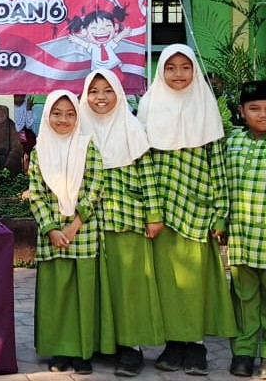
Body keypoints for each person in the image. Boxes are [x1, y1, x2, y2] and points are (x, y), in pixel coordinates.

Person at [137, 44, 237, 375]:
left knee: (195, 281)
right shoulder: (149, 107)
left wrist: (220, 212)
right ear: (160, 71)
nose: (178, 74)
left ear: (195, 70)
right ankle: (173, 343)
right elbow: (144, 165)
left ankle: (195, 345)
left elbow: (218, 166)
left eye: (185, 67)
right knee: (166, 281)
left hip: (199, 211)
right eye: (171, 67)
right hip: (162, 214)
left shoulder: (206, 108)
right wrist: (152, 212)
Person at [78, 69, 164, 376]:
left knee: (129, 285)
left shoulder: (132, 127)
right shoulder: (79, 129)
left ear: (118, 93)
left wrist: (154, 214)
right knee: (98, 285)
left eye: (108, 90)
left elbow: (148, 176)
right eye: (93, 91)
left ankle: (131, 347)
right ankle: (102, 344)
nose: (100, 97)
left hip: (127, 218)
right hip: (89, 223)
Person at [28, 90, 107, 374]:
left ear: (78, 117)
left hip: (82, 233)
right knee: (57, 296)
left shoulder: (87, 146)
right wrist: (51, 228)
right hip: (52, 236)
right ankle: (60, 351)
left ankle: (83, 352)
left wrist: (74, 225)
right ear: (47, 115)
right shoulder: (39, 151)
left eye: (70, 114)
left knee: (83, 296)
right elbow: (36, 193)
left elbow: (95, 187)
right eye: (57, 113)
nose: (63, 119)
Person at [225, 80, 266, 377]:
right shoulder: (232, 143)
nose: (262, 114)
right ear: (241, 111)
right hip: (242, 240)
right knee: (243, 300)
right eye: (254, 108)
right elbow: (222, 184)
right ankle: (242, 352)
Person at [13, 94, 37, 172]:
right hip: (13, 132)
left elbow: (29, 125)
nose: (20, 97)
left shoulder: (26, 103)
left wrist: (29, 109)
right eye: (17, 95)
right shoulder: (9, 103)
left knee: (31, 140)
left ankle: (27, 167)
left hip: (23, 132)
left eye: (22, 95)